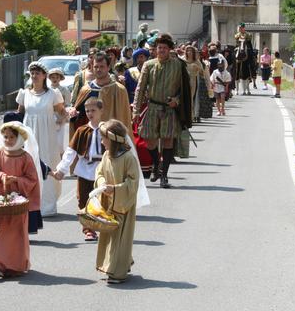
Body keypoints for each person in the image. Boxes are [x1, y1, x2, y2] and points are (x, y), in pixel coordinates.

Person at [0, 122, 41, 278]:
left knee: (16, 233)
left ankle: (14, 265)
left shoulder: (25, 157)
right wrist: (1, 177)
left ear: (20, 138)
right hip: (1, 200)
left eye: (12, 137)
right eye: (5, 137)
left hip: (18, 202)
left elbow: (32, 179)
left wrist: (16, 180)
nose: (8, 140)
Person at [133, 33, 191, 189]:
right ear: (155, 49)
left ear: (169, 49)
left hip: (169, 110)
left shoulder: (178, 65)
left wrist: (176, 101)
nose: (162, 50)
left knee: (167, 141)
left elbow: (184, 89)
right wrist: (136, 111)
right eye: (159, 48)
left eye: (165, 48)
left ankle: (164, 175)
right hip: (152, 107)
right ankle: (157, 164)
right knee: (149, 140)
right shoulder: (148, 65)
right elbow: (140, 88)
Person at [16, 61, 66, 221]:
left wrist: (60, 121)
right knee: (29, 166)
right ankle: (28, 204)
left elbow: (62, 113)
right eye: (32, 72)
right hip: (29, 135)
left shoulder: (53, 94)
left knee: (47, 164)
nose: (34, 75)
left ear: (44, 76)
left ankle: (47, 205)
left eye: (38, 72)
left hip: (47, 135)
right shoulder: (24, 94)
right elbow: (19, 114)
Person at [95, 120, 140, 284]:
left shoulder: (128, 158)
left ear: (113, 140)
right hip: (109, 203)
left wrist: (115, 189)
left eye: (103, 139)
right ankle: (116, 264)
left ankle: (117, 272)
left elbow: (133, 182)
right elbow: (99, 172)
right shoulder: (107, 155)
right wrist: (101, 184)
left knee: (120, 238)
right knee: (110, 236)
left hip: (123, 205)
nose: (102, 142)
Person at [53, 97, 105, 242]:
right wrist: (61, 170)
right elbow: (71, 152)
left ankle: (103, 226)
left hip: (102, 171)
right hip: (84, 171)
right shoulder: (82, 130)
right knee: (83, 200)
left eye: (93, 110)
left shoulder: (107, 129)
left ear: (101, 111)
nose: (90, 113)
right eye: (87, 111)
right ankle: (88, 229)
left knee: (102, 200)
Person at [69, 52, 133, 139]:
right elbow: (80, 116)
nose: (98, 69)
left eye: (102, 66)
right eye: (96, 67)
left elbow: (124, 118)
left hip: (112, 137)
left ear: (108, 67)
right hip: (92, 137)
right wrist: (74, 112)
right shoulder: (86, 89)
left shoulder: (119, 90)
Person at [183, 46, 212, 123]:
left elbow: (202, 73)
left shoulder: (197, 62)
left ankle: (192, 116)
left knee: (192, 99)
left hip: (193, 82)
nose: (189, 52)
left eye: (191, 51)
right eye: (188, 51)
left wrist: (197, 68)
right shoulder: (183, 61)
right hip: (184, 82)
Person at [48, 67, 71, 156]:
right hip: (49, 116)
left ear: (60, 78)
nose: (55, 79)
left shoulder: (65, 90)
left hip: (61, 116)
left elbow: (68, 105)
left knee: (60, 143)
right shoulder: (47, 90)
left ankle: (61, 160)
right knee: (50, 141)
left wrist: (63, 118)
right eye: (53, 77)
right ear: (49, 78)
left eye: (57, 77)